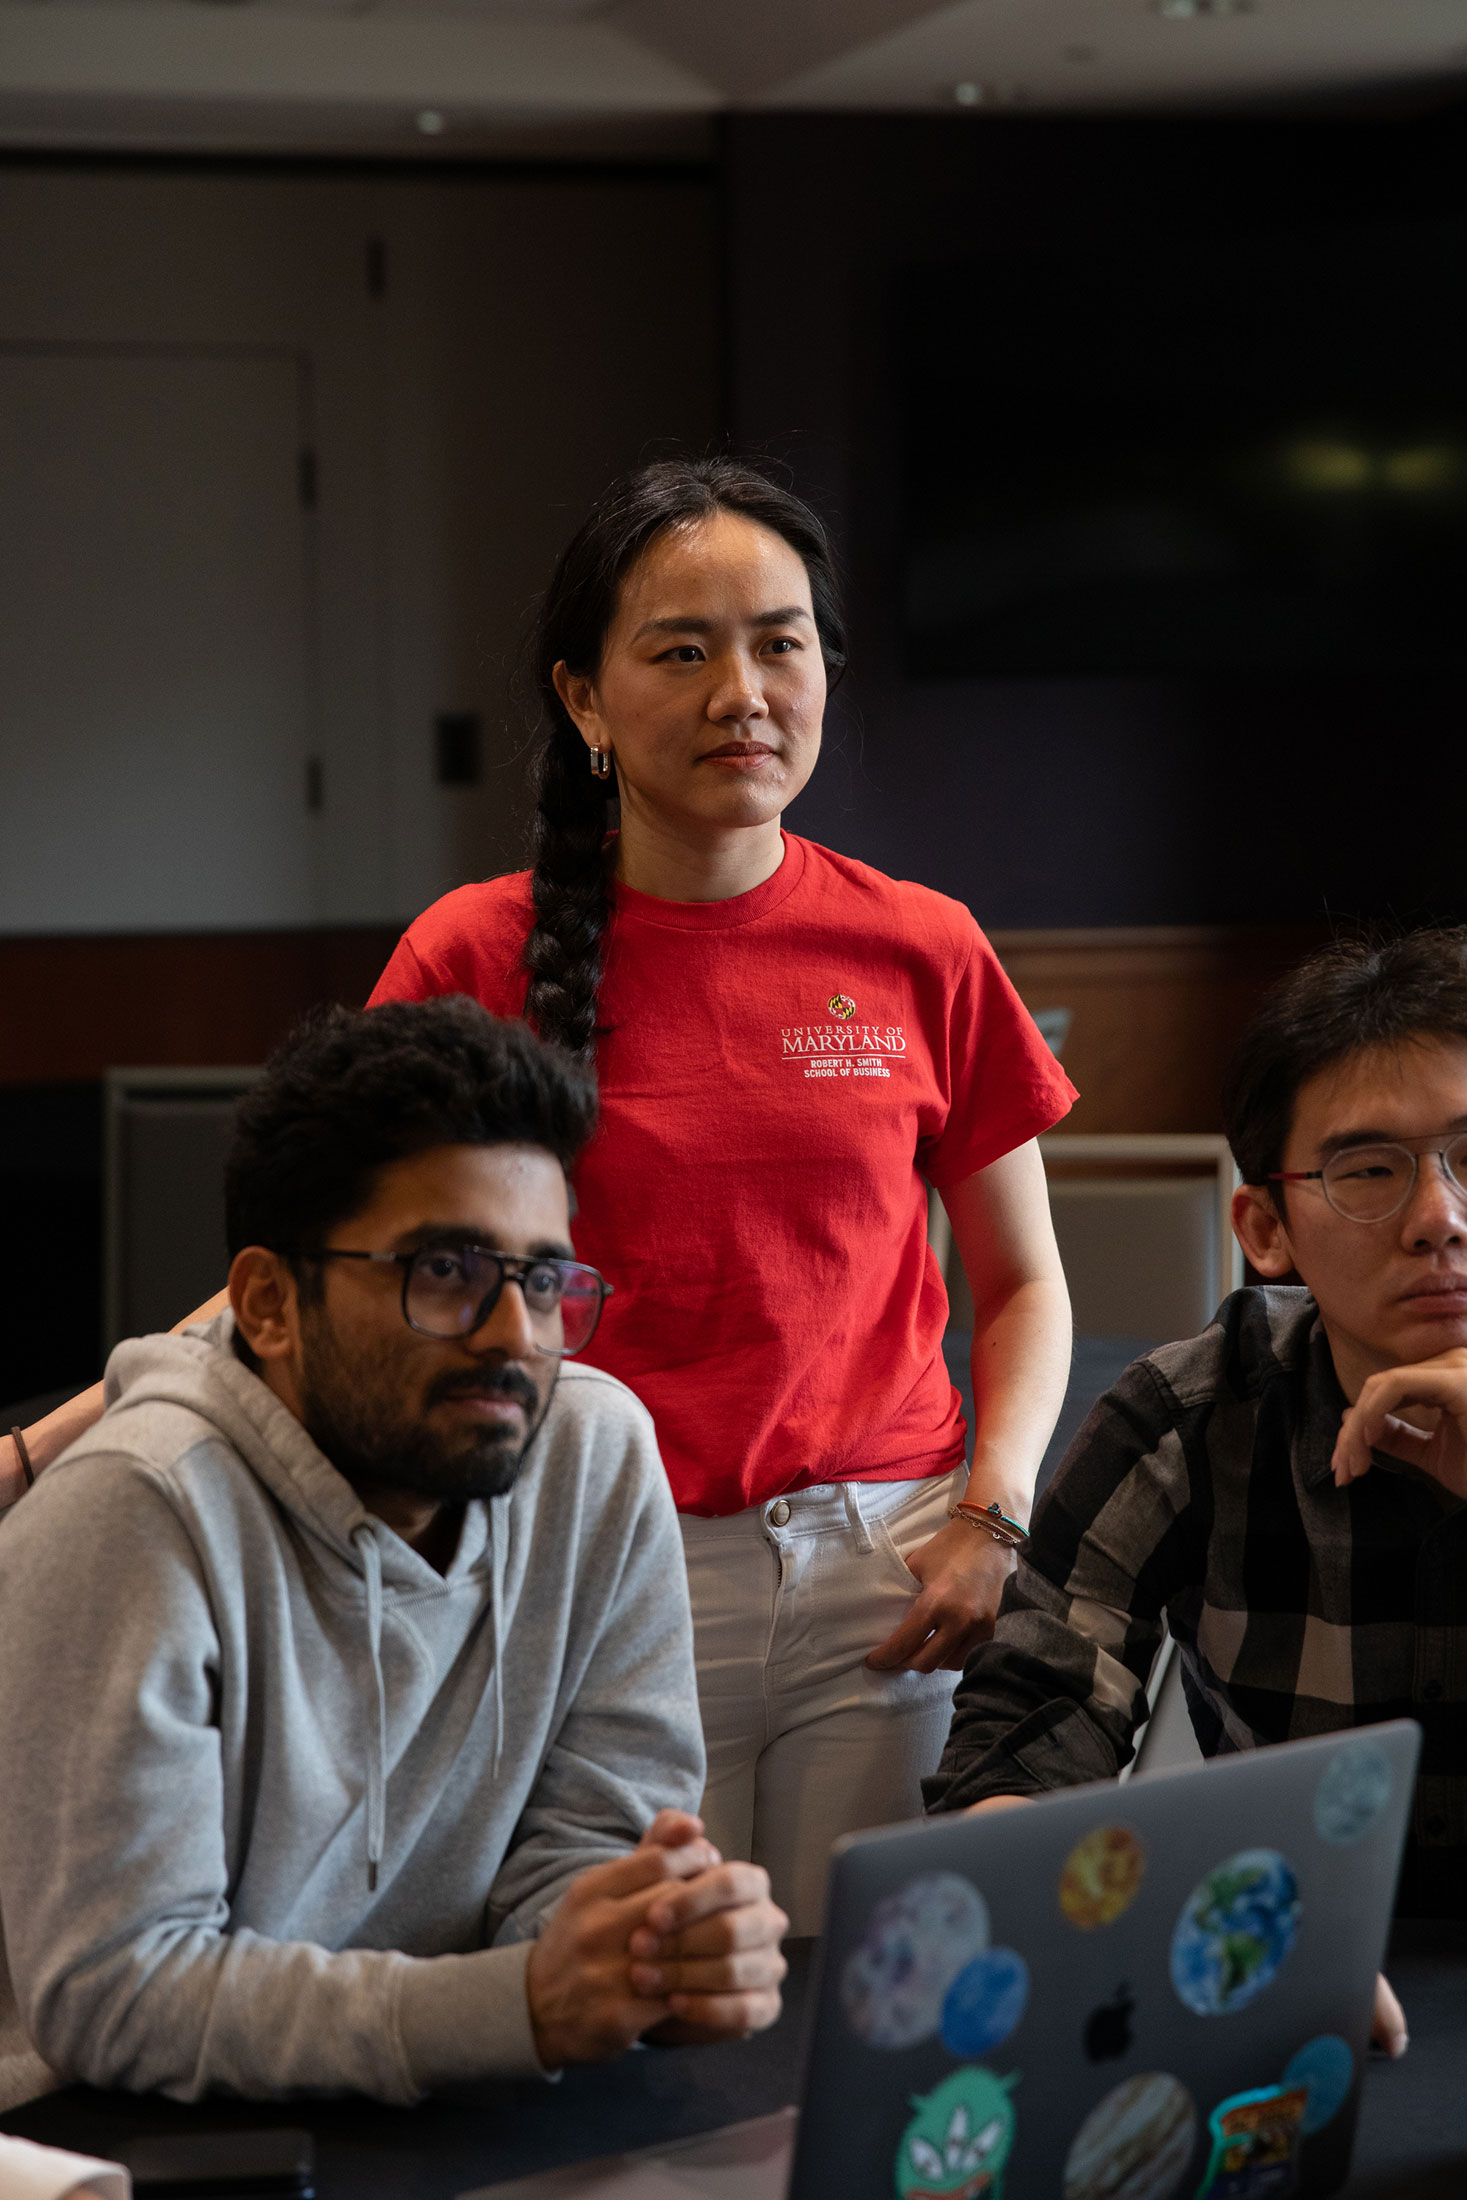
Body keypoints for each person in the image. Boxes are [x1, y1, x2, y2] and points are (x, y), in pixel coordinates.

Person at [366, 457, 1077, 1931]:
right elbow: (340, 1271)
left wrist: (988, 1516)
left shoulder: (922, 945)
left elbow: (1020, 1284)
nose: (738, 691)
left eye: (779, 640)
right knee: (633, 2011)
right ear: (582, 700)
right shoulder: (469, 952)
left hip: (886, 1568)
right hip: (587, 1565)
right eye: (679, 650)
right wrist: (55, 1443)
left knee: (855, 2009)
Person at [0, 998, 785, 2106]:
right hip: (130, 2133)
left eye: (546, 1279)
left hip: (451, 2096)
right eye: (447, 1271)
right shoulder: (137, 1510)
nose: (515, 1333)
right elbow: (113, 1989)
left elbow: (582, 1847)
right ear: (270, 1303)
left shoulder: (592, 1454)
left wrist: (642, 1946)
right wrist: (514, 2007)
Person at [924, 927, 1467, 2049]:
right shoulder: (1188, 1418)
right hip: (1292, 1984)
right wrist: (1143, 1913)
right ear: (1265, 1227)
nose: (1440, 1217)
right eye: (1371, 1170)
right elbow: (1028, 1730)